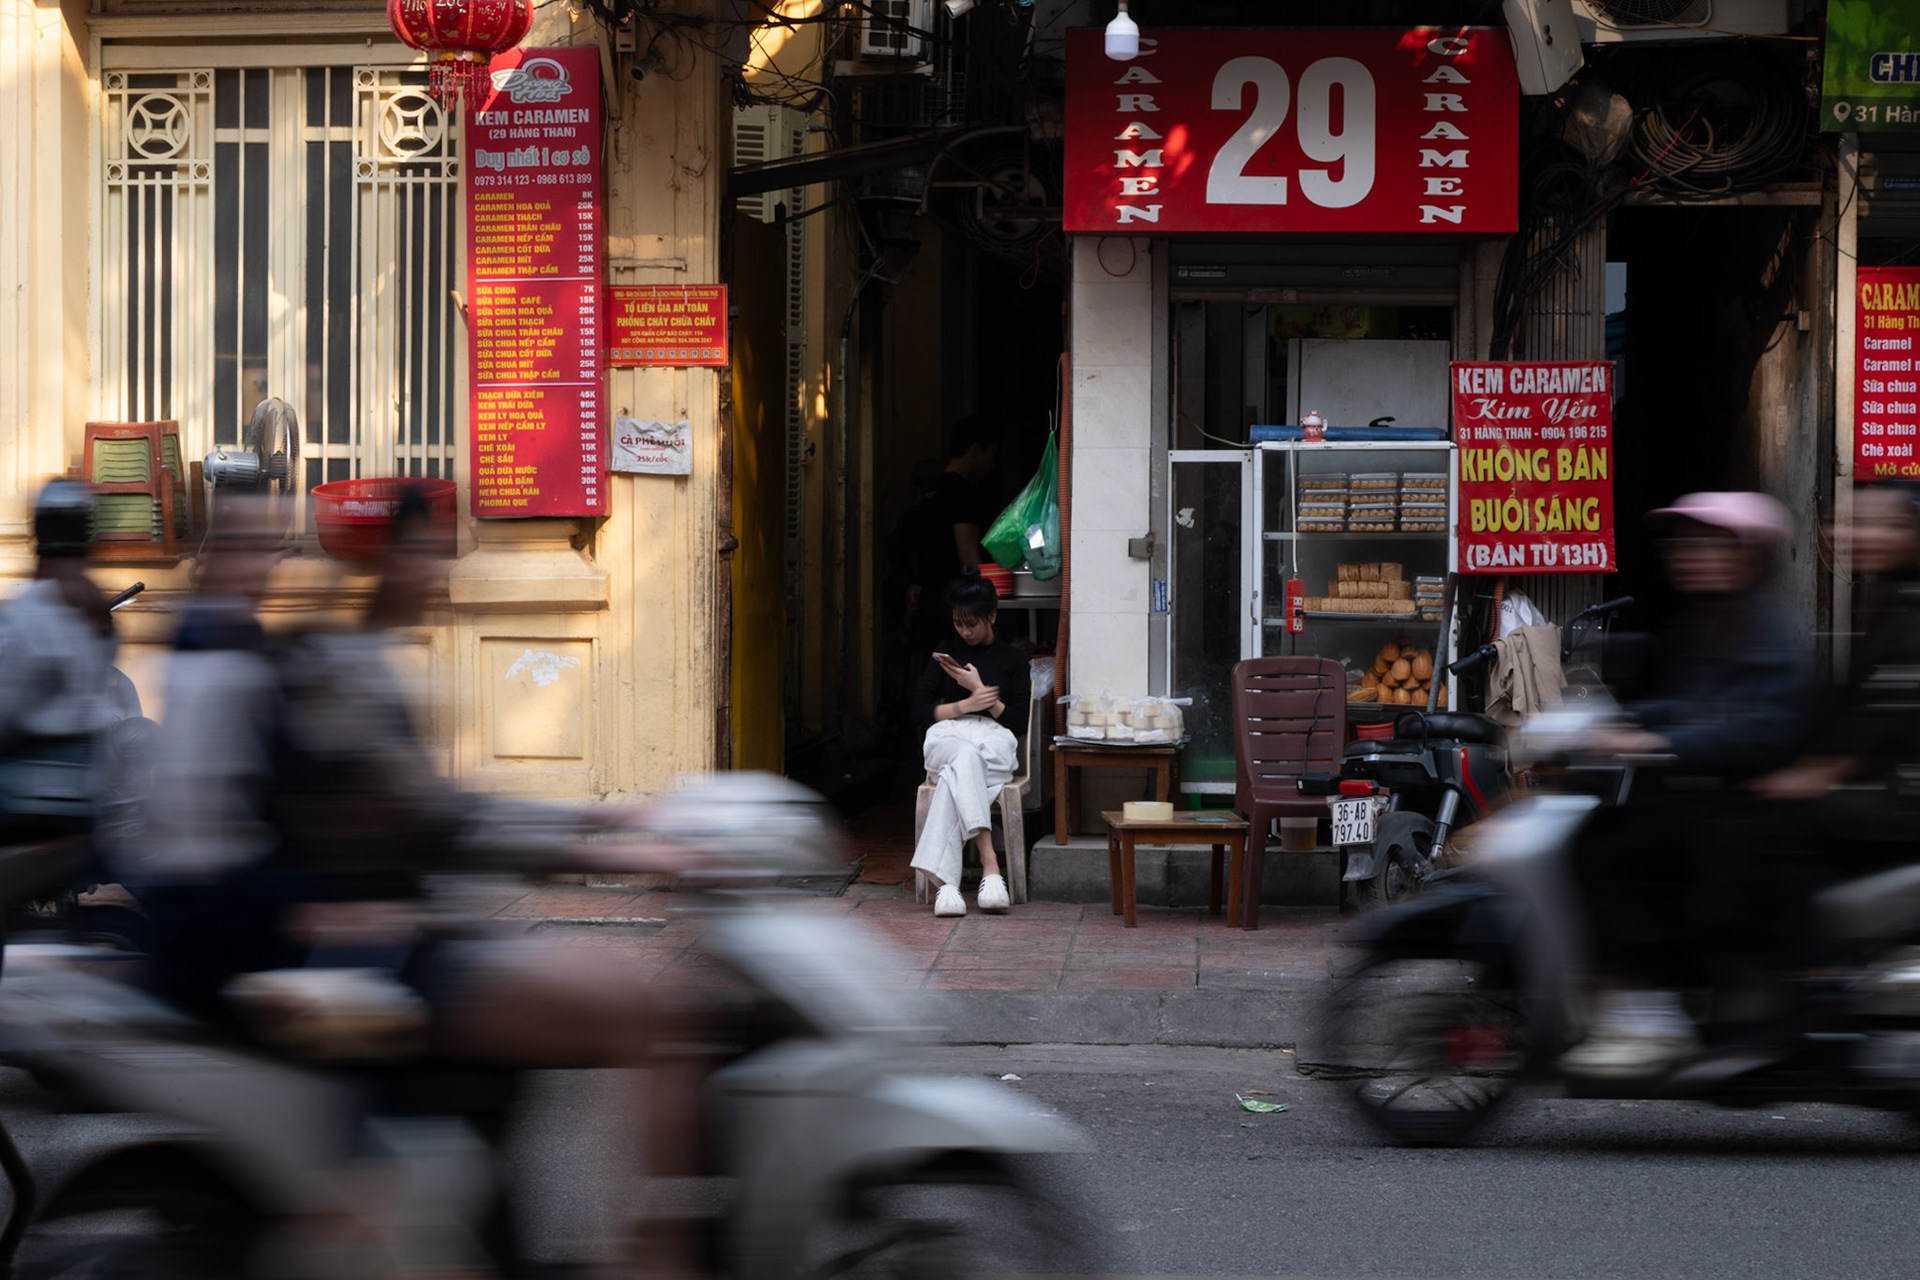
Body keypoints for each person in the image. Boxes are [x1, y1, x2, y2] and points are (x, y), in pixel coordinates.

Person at [135, 487, 703, 1274]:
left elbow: (421, 811)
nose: (438, 572)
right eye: (424, 553)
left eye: (269, 548)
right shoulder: (259, 663)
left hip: (347, 920)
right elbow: (408, 820)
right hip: (280, 935)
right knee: (632, 1011)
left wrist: (603, 825)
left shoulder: (293, 655)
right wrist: (610, 847)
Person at [1561, 492, 1812, 1078]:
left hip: (1745, 810)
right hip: (1707, 797)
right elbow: (1686, 704)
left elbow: (1758, 727)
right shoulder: (1705, 622)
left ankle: (1651, 1016)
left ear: (1748, 554)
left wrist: (1659, 743)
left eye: (1707, 544)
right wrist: (1616, 722)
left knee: (1605, 850)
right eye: (1684, 544)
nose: (1689, 555)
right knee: (1599, 833)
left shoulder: (1765, 626)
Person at [0, 481, 124, 842]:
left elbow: (7, 710)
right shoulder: (96, 606)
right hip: (90, 786)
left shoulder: (31, 610)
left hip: (30, 794)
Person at [909, 569, 1031, 917]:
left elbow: (1018, 723)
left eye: (972, 624)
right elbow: (920, 711)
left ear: (991, 616)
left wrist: (982, 693)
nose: (965, 632)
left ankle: (945, 883)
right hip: (949, 736)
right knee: (963, 755)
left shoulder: (1013, 660)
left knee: (957, 773)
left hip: (993, 743)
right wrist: (965, 704)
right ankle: (991, 866)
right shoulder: (946, 652)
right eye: (958, 624)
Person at [906, 417, 1000, 656]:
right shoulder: (963, 493)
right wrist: (985, 604)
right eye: (991, 454)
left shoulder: (929, 492)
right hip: (956, 605)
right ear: (976, 451)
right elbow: (968, 554)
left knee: (935, 669)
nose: (992, 463)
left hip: (927, 601)